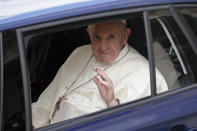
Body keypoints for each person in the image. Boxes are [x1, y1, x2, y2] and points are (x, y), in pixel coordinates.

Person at [32, 20, 168, 128]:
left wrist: (112, 103)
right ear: (89, 34)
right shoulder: (79, 53)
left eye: (111, 37)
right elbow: (48, 100)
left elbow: (143, 124)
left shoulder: (147, 75)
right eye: (97, 37)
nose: (103, 46)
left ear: (125, 36)